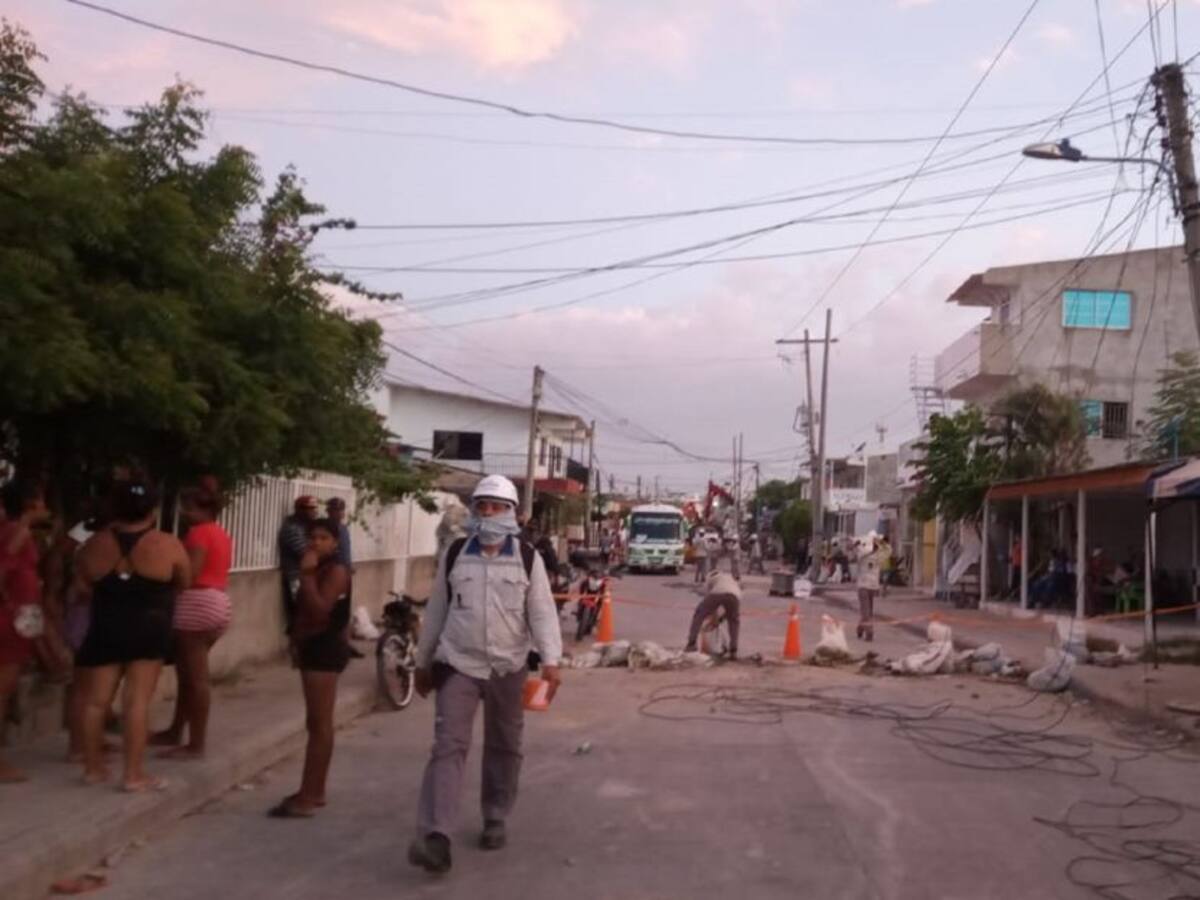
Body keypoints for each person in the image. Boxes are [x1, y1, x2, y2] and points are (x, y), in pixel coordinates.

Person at [408, 475, 562, 875]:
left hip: (507, 666)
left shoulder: (528, 557)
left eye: (496, 507)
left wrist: (552, 661)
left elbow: (543, 611)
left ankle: (495, 814)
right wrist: (423, 662)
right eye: (482, 506)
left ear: (511, 513)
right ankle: (437, 835)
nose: (488, 513)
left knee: (504, 743)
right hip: (458, 662)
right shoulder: (457, 554)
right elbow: (438, 611)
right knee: (447, 746)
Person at [74, 476, 190, 791]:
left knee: (96, 702)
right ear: (152, 508)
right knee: (137, 701)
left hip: (106, 626)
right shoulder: (167, 544)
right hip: (149, 628)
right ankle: (133, 775)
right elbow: (183, 581)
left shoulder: (94, 544)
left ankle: (93, 769)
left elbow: (82, 584)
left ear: (114, 506)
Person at [268, 518, 351, 818]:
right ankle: (311, 789)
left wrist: (306, 574)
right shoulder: (323, 569)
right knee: (314, 723)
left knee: (320, 724)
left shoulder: (336, 571)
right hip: (312, 648)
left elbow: (319, 610)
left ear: (335, 543)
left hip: (325, 650)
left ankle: (312, 792)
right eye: (312, 537)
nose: (316, 543)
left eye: (323, 538)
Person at [151, 478, 233, 759]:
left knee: (195, 679)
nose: (183, 513)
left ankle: (195, 744)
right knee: (188, 675)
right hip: (216, 601)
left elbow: (190, 573)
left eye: (187, 507)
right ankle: (176, 731)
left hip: (195, 604)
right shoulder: (219, 532)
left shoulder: (198, 534)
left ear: (202, 508)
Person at [0, 478, 52, 783]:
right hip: (12, 616)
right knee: (2, 692)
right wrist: (9, 602)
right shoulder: (17, 532)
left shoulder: (15, 530)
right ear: (31, 503)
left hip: (19, 614)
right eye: (42, 502)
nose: (46, 508)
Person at [278, 496, 320, 633]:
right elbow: (307, 553)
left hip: (306, 576)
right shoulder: (293, 529)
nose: (315, 512)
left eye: (315, 508)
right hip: (295, 577)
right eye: (311, 508)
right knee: (301, 613)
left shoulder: (306, 527)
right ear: (300, 510)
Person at [685, 570, 741, 659]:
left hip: (718, 592)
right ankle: (733, 651)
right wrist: (720, 619)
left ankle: (691, 644)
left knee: (699, 614)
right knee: (734, 622)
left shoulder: (710, 577)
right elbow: (729, 612)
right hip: (735, 595)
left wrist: (714, 619)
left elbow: (710, 601)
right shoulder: (731, 579)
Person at [855, 535, 885, 642]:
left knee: (867, 610)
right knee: (867, 610)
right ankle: (865, 630)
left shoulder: (870, 556)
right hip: (868, 586)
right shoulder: (870, 556)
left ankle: (864, 629)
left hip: (868, 586)